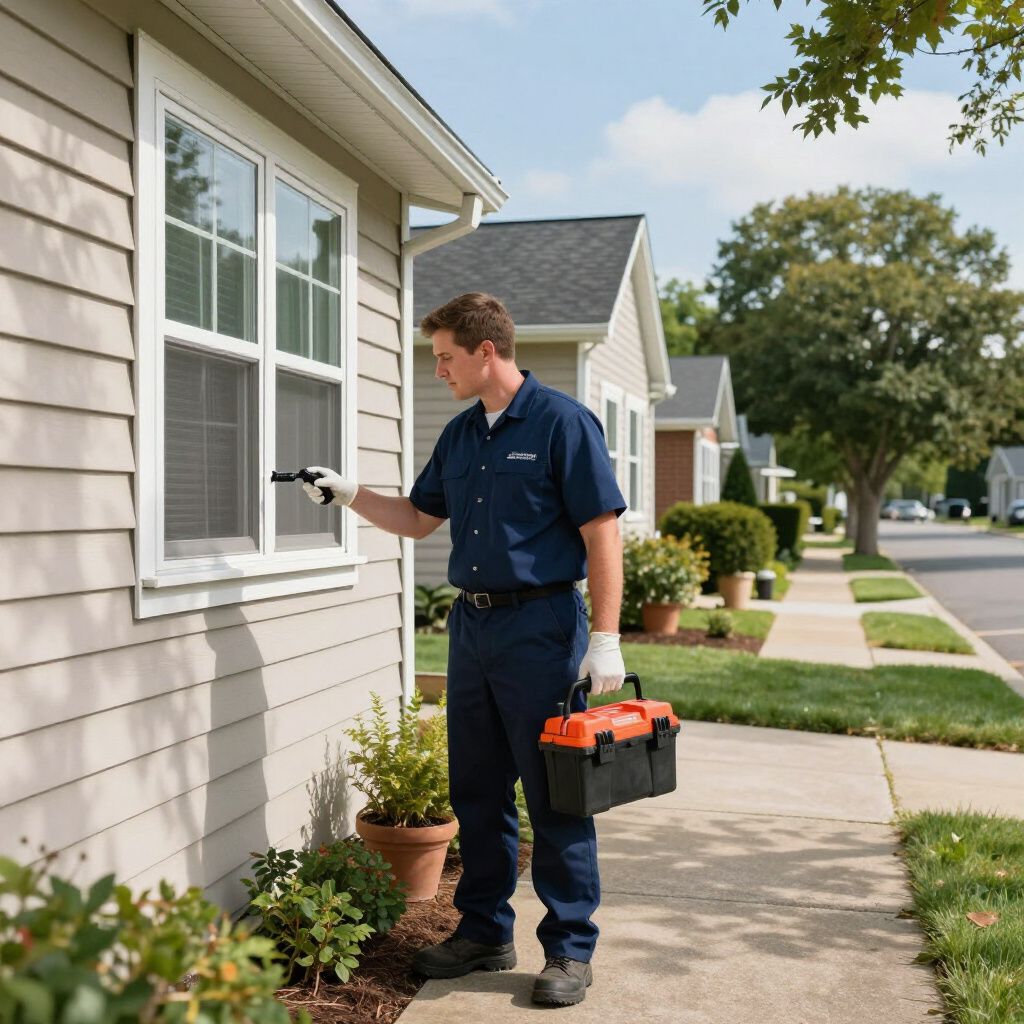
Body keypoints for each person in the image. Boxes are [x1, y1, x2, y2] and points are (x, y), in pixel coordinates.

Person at [302, 291, 626, 1007]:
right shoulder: (459, 435)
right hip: (472, 630)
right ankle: (483, 930)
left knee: (553, 797)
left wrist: (604, 638)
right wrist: (349, 492)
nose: (438, 370)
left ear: (487, 352)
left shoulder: (561, 424)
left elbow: (602, 532)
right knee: (477, 789)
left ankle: (570, 948)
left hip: (542, 627)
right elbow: (419, 519)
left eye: (446, 357)